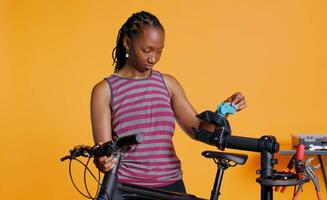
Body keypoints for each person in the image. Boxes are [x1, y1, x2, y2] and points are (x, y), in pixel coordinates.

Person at [90, 10, 246, 197]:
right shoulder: (104, 91)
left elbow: (197, 129)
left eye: (159, 50)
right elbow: (105, 148)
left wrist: (223, 111)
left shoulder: (168, 84)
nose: (153, 58)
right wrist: (102, 160)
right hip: (126, 188)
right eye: (146, 50)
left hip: (170, 186)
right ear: (127, 43)